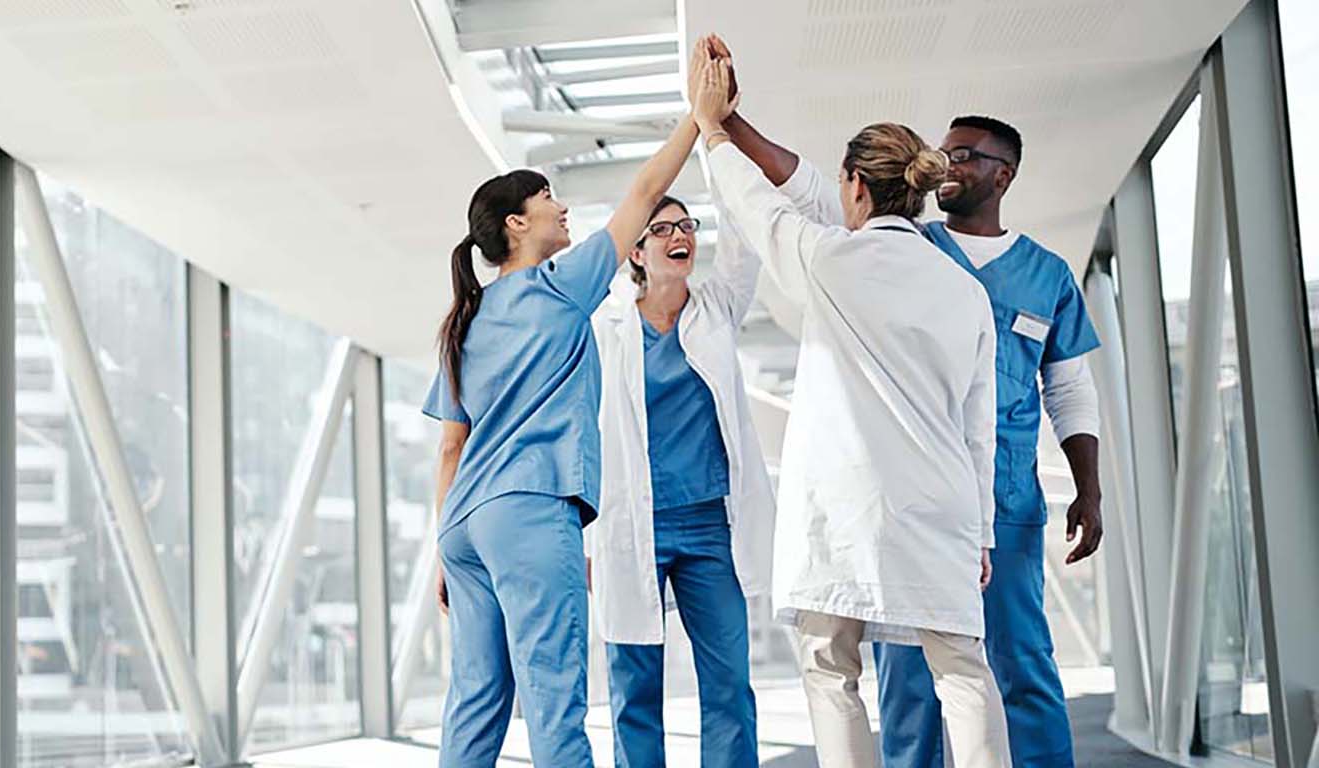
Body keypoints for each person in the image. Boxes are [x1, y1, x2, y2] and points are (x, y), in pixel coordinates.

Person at [700, 61, 1106, 763]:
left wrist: (710, 130)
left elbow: (764, 207)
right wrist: (731, 122)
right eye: (942, 155)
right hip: (955, 506)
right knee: (953, 674)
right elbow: (978, 429)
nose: (951, 165)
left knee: (858, 671)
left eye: (966, 155)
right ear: (918, 181)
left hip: (915, 505)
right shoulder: (951, 277)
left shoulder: (835, 256)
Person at [423, 84, 701, 766]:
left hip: (465, 527)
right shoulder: (556, 285)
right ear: (517, 224)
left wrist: (440, 547)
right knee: (555, 701)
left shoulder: (465, 320)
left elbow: (451, 445)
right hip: (528, 512)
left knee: (476, 702)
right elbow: (644, 193)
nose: (561, 205)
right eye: (547, 196)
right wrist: (700, 118)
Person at [585, 41, 775, 768]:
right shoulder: (605, 330)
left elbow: (748, 238)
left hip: (709, 525)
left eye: (686, 226)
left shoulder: (717, 305)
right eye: (661, 229)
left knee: (728, 683)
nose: (679, 236)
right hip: (633, 521)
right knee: (634, 685)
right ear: (634, 251)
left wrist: (717, 125)